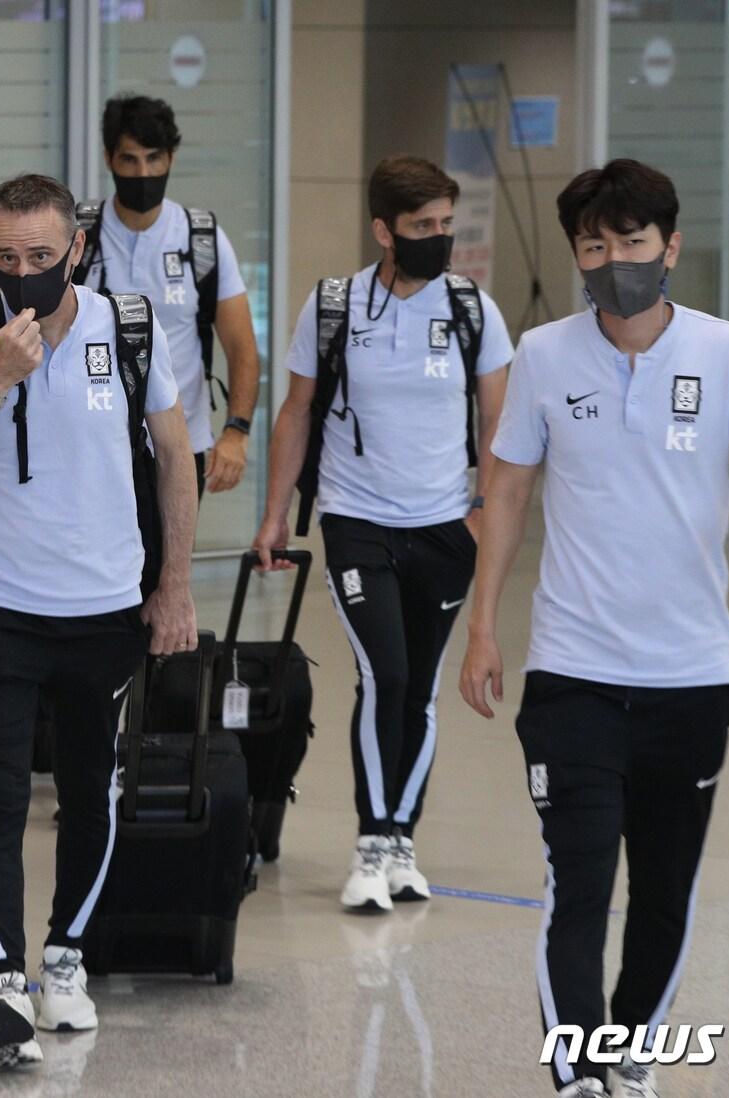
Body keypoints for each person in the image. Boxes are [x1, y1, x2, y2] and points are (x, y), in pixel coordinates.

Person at [459, 159, 729, 1098]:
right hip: (572, 673)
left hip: (691, 680)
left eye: (633, 242)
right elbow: (507, 494)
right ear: (580, 254)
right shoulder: (544, 355)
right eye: (595, 245)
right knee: (577, 887)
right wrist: (484, 628)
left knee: (661, 894)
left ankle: (630, 1056)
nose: (615, 260)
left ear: (671, 248)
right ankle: (577, 1078)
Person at [0, 174, 198, 1070]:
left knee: (89, 791)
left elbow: (176, 462)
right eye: (6, 259)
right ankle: (4, 982)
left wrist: (175, 586)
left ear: (75, 248)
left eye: (41, 257)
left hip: (103, 612)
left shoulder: (133, 328)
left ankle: (65, 956)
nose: (24, 272)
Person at [252, 155, 514, 913]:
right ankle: (371, 843)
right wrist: (275, 514)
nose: (439, 239)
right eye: (422, 227)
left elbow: (500, 419)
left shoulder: (472, 310)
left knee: (419, 690)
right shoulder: (333, 307)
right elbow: (297, 411)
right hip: (356, 520)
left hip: (444, 528)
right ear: (382, 230)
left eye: (445, 225)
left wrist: (479, 510)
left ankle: (402, 840)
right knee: (386, 676)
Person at [74, 94, 260, 497]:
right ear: (109, 159)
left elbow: (243, 348)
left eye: (154, 158)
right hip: (89, 445)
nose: (144, 172)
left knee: (173, 561)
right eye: (130, 159)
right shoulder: (78, 237)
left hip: (179, 446)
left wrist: (236, 431)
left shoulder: (202, 239)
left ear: (171, 158)